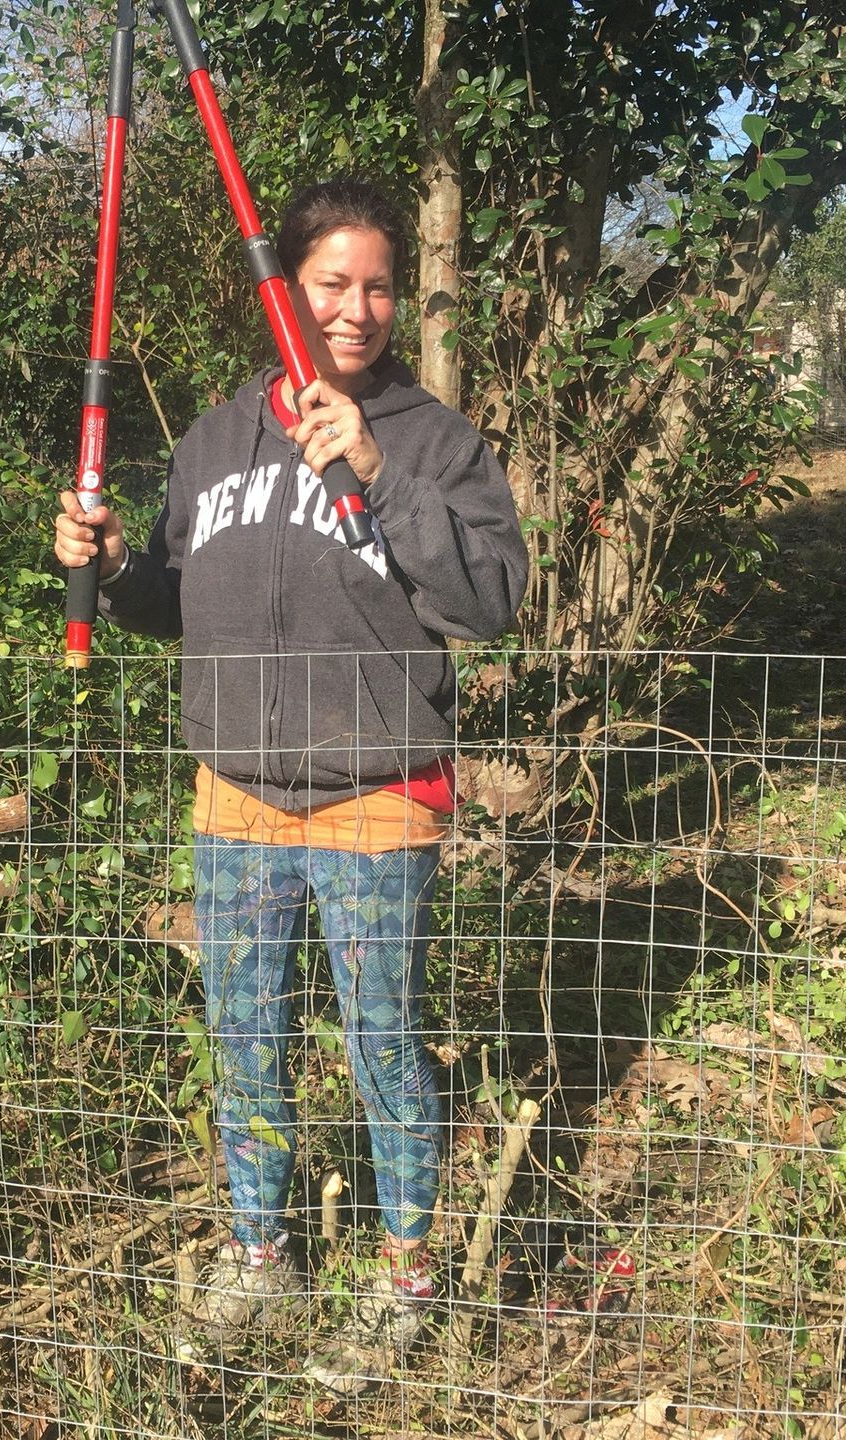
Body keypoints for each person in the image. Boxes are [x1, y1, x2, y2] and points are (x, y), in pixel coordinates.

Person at [53, 178, 527, 1393]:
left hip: (379, 793)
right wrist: (112, 564)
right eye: (333, 284)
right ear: (282, 290)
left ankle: (407, 1275)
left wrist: (377, 469)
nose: (358, 310)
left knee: (383, 1043)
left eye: (380, 287)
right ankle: (260, 1255)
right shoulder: (215, 441)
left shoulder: (436, 441)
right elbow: (177, 605)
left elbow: (490, 601)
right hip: (238, 799)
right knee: (246, 1039)